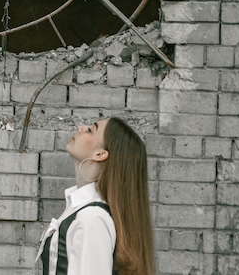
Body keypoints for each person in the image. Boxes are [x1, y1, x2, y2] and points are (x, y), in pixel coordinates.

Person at [36, 116, 155, 275]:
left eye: (91, 130)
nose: (81, 127)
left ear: (100, 154)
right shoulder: (84, 210)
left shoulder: (91, 217)